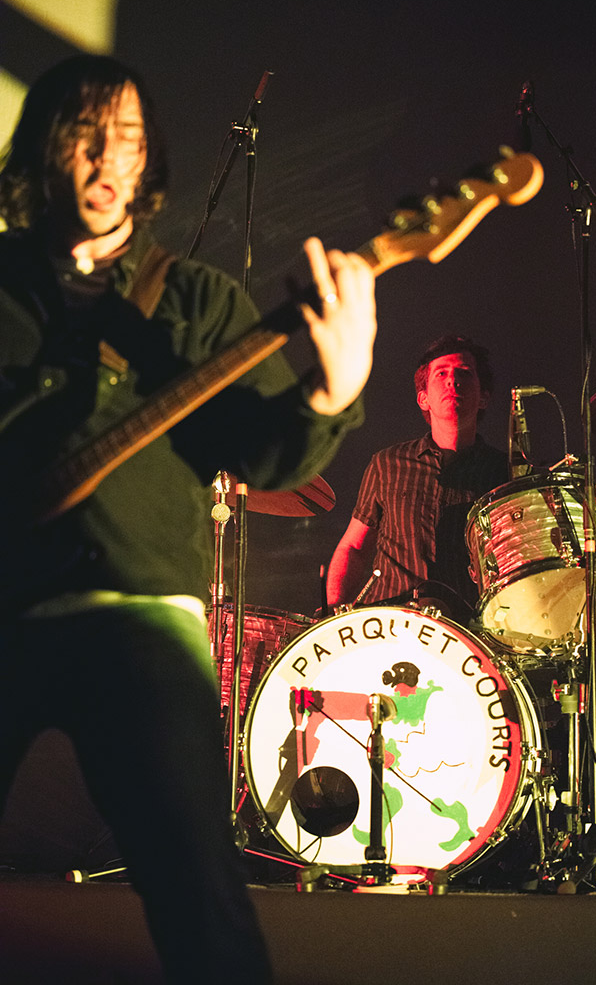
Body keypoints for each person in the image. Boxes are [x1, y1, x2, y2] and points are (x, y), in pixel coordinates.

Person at [0, 55, 376, 983]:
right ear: (45, 150)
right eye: (84, 136)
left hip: (138, 611)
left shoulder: (199, 302)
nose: (103, 158)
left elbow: (266, 452)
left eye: (126, 139)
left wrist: (334, 388)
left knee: (198, 886)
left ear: (148, 162)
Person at [326, 334, 507, 620]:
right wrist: (334, 613)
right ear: (423, 398)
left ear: (484, 397)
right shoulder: (387, 463)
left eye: (464, 373)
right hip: (387, 621)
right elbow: (355, 546)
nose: (452, 381)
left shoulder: (505, 471)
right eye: (441, 373)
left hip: (467, 628)